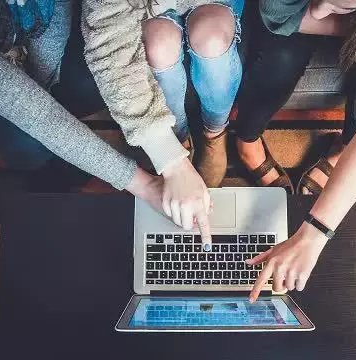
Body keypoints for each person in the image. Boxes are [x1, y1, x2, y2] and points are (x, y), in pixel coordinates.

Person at [238, 0, 356, 301]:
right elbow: (276, 14)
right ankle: (247, 141)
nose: (322, 8)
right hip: (294, 13)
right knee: (279, 56)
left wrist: (313, 234)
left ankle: (343, 148)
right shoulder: (320, 8)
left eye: (338, 3)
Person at [81, 0, 246, 250]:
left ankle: (214, 132)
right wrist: (170, 160)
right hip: (148, 8)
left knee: (212, 37)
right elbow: (106, 31)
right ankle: (177, 140)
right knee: (157, 44)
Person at [0, 0, 165, 221]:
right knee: (28, 147)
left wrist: (43, 85)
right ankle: (57, 173)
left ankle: (79, 156)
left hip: (33, 43)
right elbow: (42, 117)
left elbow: (54, 10)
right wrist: (145, 185)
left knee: (94, 83)